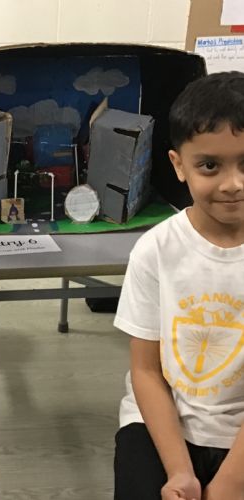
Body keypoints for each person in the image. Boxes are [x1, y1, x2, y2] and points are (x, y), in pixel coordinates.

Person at [113, 71, 244, 500]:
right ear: (178, 165)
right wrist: (180, 472)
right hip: (162, 422)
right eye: (210, 165)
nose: (233, 184)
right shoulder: (155, 250)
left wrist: (230, 483)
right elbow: (146, 371)